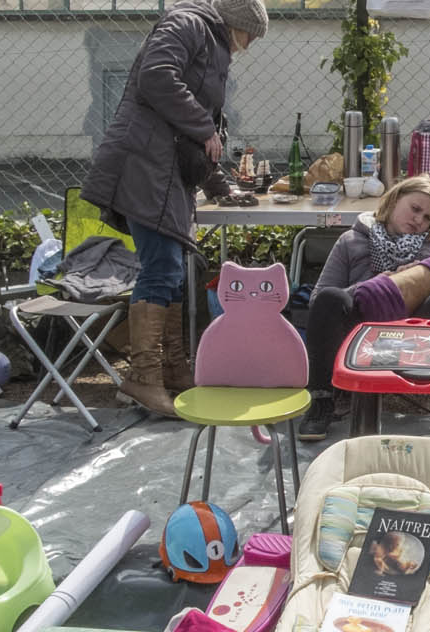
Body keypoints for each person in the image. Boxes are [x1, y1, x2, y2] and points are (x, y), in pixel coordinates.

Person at [81, 0, 268, 418]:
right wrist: (203, 127)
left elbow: (198, 136)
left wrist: (220, 184)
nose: (250, 46)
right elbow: (156, 78)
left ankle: (173, 368)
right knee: (161, 269)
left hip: (162, 172)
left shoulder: (212, 44)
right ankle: (143, 379)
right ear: (237, 24)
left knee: (173, 272)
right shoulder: (188, 25)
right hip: (143, 167)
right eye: (251, 35)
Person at [298, 176, 430, 442]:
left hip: (416, 337)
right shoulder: (352, 239)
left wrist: (427, 274)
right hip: (360, 333)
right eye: (415, 209)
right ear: (393, 201)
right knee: (331, 299)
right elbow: (318, 298)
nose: (419, 220)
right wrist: (373, 286)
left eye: (427, 217)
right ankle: (321, 401)